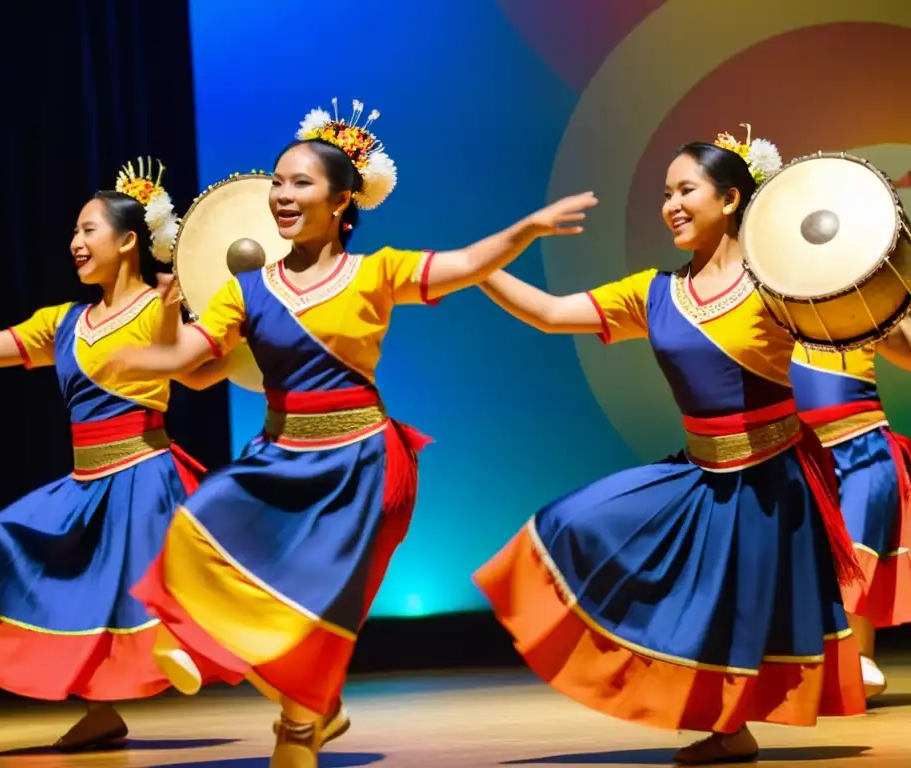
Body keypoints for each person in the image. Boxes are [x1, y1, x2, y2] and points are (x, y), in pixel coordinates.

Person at [100, 97, 598, 768]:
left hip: (361, 463)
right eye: (277, 181)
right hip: (280, 459)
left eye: (300, 182)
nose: (281, 193)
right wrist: (147, 355)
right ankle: (264, 675)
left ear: (341, 201)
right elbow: (192, 363)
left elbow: (468, 263)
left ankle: (300, 725)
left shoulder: (376, 271)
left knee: (319, 601)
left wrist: (526, 229)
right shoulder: (246, 290)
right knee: (198, 521)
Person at [472, 127, 867, 765]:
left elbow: (864, 316)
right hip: (704, 472)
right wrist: (482, 264)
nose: (671, 205)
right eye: (665, 193)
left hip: (769, 481)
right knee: (572, 523)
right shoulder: (656, 291)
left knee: (735, 615)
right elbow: (549, 313)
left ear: (732, 199)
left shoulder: (779, 284)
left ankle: (730, 730)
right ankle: (728, 730)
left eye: (686, 190)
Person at [0, 160, 211, 751]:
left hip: (144, 471)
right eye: (74, 232)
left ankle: (296, 695)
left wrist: (171, 308)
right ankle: (102, 710)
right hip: (86, 479)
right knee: (1, 540)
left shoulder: (158, 306)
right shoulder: (63, 323)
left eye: (88, 230)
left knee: (145, 586)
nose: (76, 243)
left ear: (128, 241)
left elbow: (185, 366)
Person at [791, 321, 911, 699]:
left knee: (858, 549)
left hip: (862, 444)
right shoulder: (766, 293)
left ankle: (855, 656)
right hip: (794, 447)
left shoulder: (866, 300)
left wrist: (897, 305)